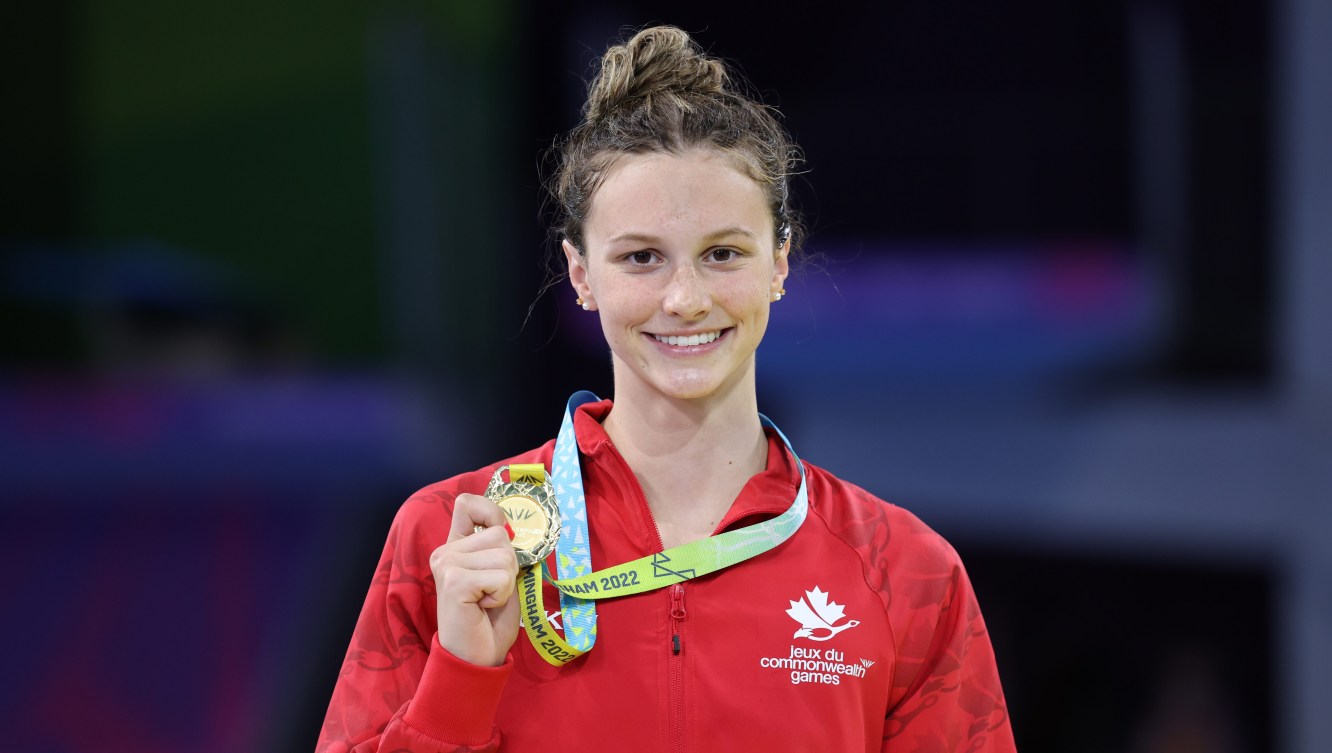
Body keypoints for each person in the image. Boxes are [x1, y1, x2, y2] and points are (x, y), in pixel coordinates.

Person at [317, 25, 1016, 753]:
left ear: (780, 261)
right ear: (581, 274)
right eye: (641, 257)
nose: (684, 298)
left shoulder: (905, 572)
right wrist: (460, 675)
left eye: (722, 253)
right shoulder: (449, 540)